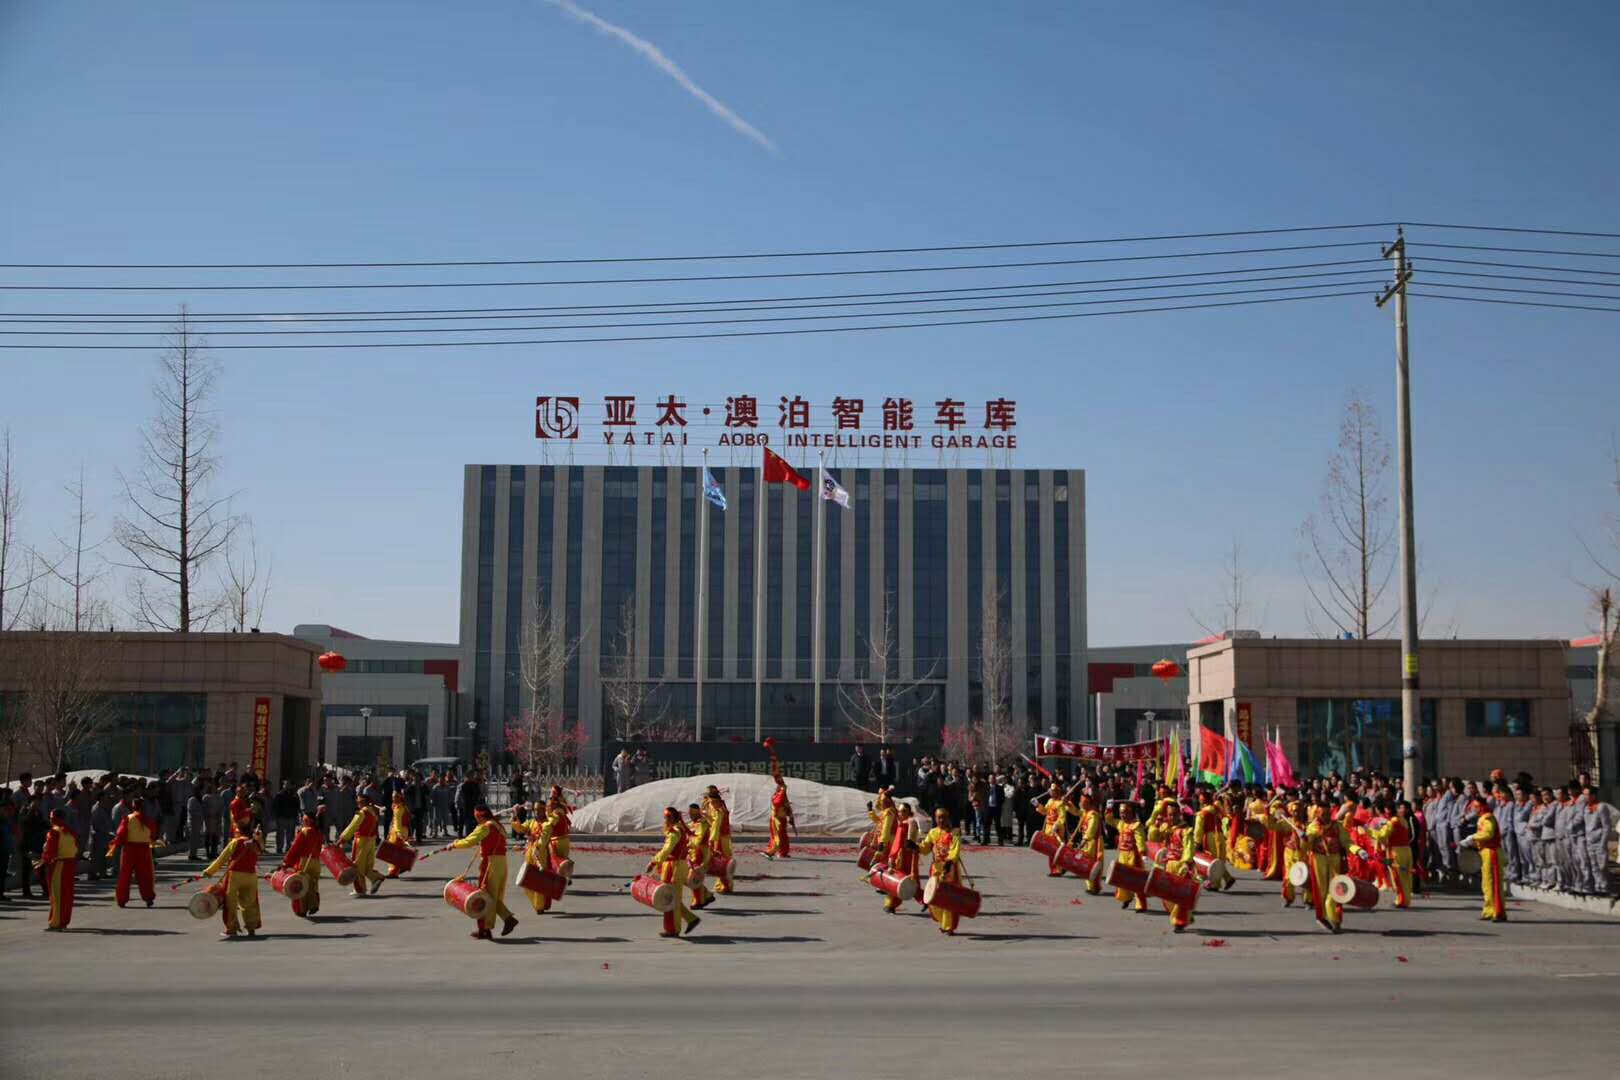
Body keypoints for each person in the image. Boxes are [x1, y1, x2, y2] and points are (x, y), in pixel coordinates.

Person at [444, 805, 518, 940]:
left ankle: (505, 920)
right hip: (501, 863)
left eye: (476, 817)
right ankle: (486, 929)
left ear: (480, 816)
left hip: (490, 863)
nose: (476, 820)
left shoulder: (485, 827)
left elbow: (469, 841)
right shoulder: (497, 825)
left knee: (485, 896)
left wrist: (454, 844)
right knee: (491, 896)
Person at [646, 807, 700, 938]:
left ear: (671, 819)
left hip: (673, 867)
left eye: (666, 818)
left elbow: (666, 850)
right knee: (672, 897)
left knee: (670, 898)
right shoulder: (680, 829)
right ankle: (690, 918)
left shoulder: (674, 832)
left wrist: (653, 862)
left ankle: (673, 929)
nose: (665, 820)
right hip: (679, 865)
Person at [202, 826, 264, 939]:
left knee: (230, 903)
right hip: (251, 876)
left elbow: (222, 859)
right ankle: (251, 928)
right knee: (250, 902)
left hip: (235, 876)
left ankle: (232, 928)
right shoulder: (257, 843)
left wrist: (209, 871)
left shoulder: (235, 842)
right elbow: (260, 852)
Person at [917, 807, 966, 936]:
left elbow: (955, 850)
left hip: (949, 869)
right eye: (938, 817)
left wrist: (949, 862)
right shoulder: (933, 832)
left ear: (948, 818)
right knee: (934, 897)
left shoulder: (955, 832)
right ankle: (943, 922)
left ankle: (949, 926)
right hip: (936, 869)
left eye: (943, 817)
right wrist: (915, 847)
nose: (941, 820)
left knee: (948, 898)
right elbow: (925, 848)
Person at [1460, 794, 1506, 921]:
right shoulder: (1482, 818)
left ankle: (1498, 912)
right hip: (1485, 852)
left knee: (1494, 883)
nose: (1473, 809)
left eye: (1475, 807)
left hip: (1492, 852)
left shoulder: (1488, 817)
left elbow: (1488, 833)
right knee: (1487, 883)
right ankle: (1489, 910)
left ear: (1480, 807)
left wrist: (1473, 837)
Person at [107, 796, 159, 908]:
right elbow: (154, 835)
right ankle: (148, 897)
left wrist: (115, 844)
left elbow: (120, 834)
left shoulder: (128, 818)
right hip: (144, 849)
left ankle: (122, 900)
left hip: (129, 849)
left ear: (133, 807)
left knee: (125, 875)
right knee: (145, 875)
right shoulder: (149, 820)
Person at [1302, 802, 1345, 934]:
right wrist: (1306, 839)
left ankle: (1334, 918)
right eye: (1322, 813)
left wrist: (1358, 850)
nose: (1325, 816)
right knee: (1321, 890)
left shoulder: (1337, 826)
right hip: (1319, 859)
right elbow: (1306, 846)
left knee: (1336, 889)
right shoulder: (1313, 826)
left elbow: (1347, 841)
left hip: (1335, 859)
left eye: (1327, 813)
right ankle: (1323, 917)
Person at [510, 804, 558, 915]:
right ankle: (538, 904)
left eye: (539, 810)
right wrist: (515, 815)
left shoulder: (547, 824)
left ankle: (539, 906)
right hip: (530, 852)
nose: (537, 812)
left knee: (539, 881)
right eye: (535, 810)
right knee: (527, 879)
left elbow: (543, 840)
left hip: (540, 854)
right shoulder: (531, 822)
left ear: (543, 810)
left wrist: (535, 842)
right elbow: (520, 829)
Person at [37, 809, 80, 931]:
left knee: (56, 895)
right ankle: (64, 920)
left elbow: (50, 851)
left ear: (53, 818)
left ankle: (56, 922)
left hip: (59, 865)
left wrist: (42, 862)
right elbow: (76, 848)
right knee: (67, 894)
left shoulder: (54, 832)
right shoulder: (70, 831)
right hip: (70, 864)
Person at [339, 792, 386, 896]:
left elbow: (352, 826)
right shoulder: (373, 811)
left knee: (356, 866)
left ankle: (360, 889)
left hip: (361, 841)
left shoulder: (361, 813)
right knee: (367, 866)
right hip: (371, 841)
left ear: (362, 802)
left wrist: (342, 839)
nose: (357, 802)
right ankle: (376, 878)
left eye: (358, 801)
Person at [1106, 800, 1148, 912]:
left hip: (1133, 856)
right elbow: (1109, 820)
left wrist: (1143, 853)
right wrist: (1109, 808)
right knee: (1122, 879)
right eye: (1121, 813)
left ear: (1131, 813)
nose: (1122, 815)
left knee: (1136, 880)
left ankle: (1140, 904)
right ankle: (1126, 898)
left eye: (1125, 812)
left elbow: (1140, 840)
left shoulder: (1137, 825)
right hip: (1122, 855)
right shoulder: (1121, 824)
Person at [279, 813, 324, 917]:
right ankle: (313, 904)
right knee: (312, 885)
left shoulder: (304, 831)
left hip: (304, 862)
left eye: (303, 819)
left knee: (301, 886)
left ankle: (301, 909)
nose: (302, 820)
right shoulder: (318, 832)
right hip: (316, 862)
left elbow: (295, 849)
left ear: (307, 820)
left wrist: (286, 862)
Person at [1371, 800, 1414, 909]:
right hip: (1407, 850)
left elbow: (1381, 835)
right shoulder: (1402, 819)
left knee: (1398, 877)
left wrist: (1368, 831)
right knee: (1406, 877)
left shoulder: (1393, 821)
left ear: (1387, 810)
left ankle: (1401, 901)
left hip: (1396, 852)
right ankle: (1406, 900)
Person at [1036, 783, 1077, 877]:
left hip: (1057, 830)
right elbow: (1045, 812)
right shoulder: (1050, 801)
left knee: (1056, 850)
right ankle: (1055, 869)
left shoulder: (1060, 803)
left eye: (1053, 791)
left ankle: (1058, 869)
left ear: (1057, 792)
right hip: (1048, 829)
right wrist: (1038, 805)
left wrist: (1056, 825)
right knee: (1050, 850)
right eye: (1051, 790)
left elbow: (1062, 817)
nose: (1051, 792)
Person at [1069, 793, 1104, 895]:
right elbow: (1076, 812)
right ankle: (1090, 886)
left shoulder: (1093, 815)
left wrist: (1083, 841)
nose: (1080, 803)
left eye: (1082, 802)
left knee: (1091, 864)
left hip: (1093, 842)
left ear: (1087, 803)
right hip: (1087, 842)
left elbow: (1091, 830)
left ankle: (1094, 887)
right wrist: (1068, 804)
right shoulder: (1086, 812)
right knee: (1085, 864)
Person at [704, 787, 734, 894]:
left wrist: (712, 841)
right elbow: (714, 823)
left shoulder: (719, 811)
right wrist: (706, 816)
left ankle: (725, 886)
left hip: (720, 838)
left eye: (712, 802)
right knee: (722, 862)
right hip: (722, 837)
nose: (710, 804)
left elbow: (716, 826)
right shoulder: (720, 808)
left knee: (721, 862)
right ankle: (722, 885)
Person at [686, 804, 715, 910]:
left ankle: (698, 901)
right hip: (692, 852)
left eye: (692, 813)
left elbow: (698, 839)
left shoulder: (702, 824)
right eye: (689, 813)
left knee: (694, 877)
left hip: (700, 853)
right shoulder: (692, 824)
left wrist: (687, 844)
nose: (690, 815)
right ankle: (707, 894)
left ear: (696, 813)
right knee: (690, 878)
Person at [763, 776, 795, 859]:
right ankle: (770, 852)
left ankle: (783, 853)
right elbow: (778, 802)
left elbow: (787, 808)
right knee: (776, 837)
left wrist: (790, 816)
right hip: (776, 820)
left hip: (782, 820)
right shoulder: (776, 797)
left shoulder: (783, 797)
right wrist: (783, 790)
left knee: (784, 837)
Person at [384, 791, 413, 878]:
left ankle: (394, 872)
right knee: (398, 851)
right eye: (393, 797)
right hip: (402, 830)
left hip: (399, 831)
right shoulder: (402, 806)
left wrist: (398, 833)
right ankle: (399, 868)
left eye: (395, 797)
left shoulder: (399, 808)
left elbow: (397, 821)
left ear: (399, 797)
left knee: (393, 852)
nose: (393, 798)